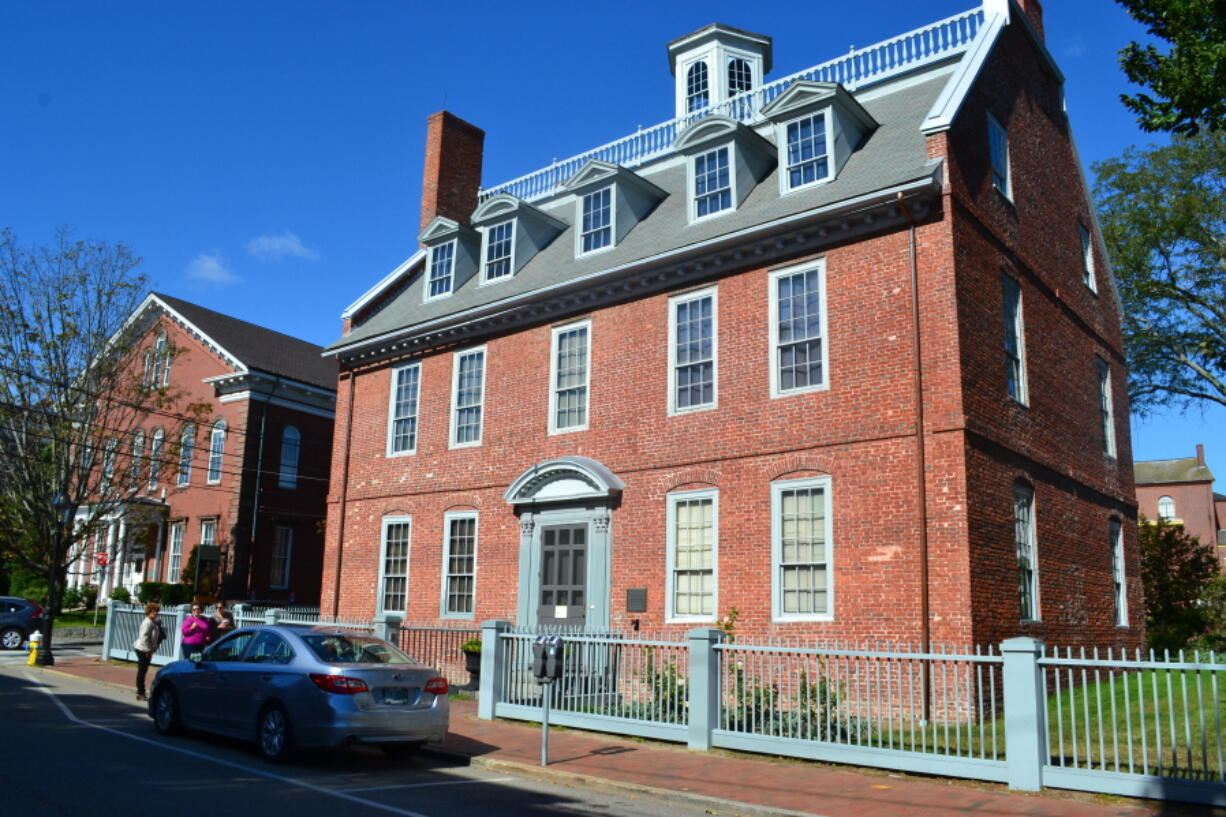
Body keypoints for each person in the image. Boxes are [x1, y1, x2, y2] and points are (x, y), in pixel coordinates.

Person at [132, 602, 163, 701]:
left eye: (156, 611)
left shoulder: (153, 622)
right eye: (153, 611)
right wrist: (148, 651)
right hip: (142, 649)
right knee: (142, 671)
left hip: (146, 649)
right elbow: (144, 637)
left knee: (143, 670)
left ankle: (140, 692)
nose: (155, 613)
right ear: (148, 612)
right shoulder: (148, 622)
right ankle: (140, 692)